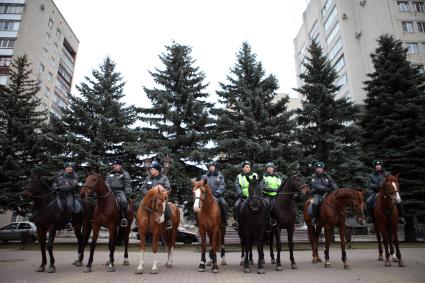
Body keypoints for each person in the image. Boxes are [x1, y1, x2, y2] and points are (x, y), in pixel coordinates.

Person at [366, 159, 404, 224]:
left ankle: (401, 217)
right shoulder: (371, 175)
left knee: (398, 200)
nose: (378, 166)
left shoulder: (387, 173)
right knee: (368, 201)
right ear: (374, 166)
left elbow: (392, 181)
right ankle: (369, 217)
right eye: (376, 165)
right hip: (376, 192)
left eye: (379, 165)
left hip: (387, 191)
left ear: (381, 166)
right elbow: (369, 184)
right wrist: (377, 185)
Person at [141, 161, 173, 230]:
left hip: (160, 198)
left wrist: (163, 194)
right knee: (141, 204)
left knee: (166, 206)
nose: (150, 171)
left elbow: (168, 188)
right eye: (150, 169)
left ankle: (168, 221)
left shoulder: (164, 178)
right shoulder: (148, 178)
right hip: (149, 198)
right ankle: (139, 222)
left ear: (157, 170)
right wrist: (147, 194)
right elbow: (143, 188)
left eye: (152, 169)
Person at [52, 162, 80, 231]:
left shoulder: (74, 175)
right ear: (65, 168)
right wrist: (55, 187)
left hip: (68, 194)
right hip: (59, 194)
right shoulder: (60, 174)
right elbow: (55, 183)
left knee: (69, 205)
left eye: (70, 167)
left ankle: (69, 223)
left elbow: (71, 185)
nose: (69, 168)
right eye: (68, 167)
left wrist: (59, 187)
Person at [105, 160, 131, 228]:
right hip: (110, 191)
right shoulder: (110, 173)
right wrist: (108, 188)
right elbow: (107, 182)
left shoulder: (125, 173)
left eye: (116, 165)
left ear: (120, 166)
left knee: (123, 201)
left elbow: (128, 185)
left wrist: (127, 194)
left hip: (120, 191)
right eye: (114, 165)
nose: (115, 166)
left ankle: (123, 218)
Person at [233, 161, 258, 230]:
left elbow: (257, 185)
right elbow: (237, 186)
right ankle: (237, 222)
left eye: (249, 167)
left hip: (254, 196)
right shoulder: (239, 176)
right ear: (242, 168)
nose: (248, 168)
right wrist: (240, 193)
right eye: (246, 167)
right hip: (243, 196)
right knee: (236, 205)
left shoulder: (254, 175)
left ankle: (265, 221)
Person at [201, 161, 228, 225]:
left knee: (224, 204)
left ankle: (224, 220)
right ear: (209, 168)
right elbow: (202, 186)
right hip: (207, 197)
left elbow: (222, 185)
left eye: (213, 166)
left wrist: (217, 193)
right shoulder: (204, 177)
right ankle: (197, 221)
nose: (212, 168)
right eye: (211, 166)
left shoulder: (220, 176)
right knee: (197, 205)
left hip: (218, 196)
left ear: (215, 167)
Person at [260, 162, 284, 231]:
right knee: (266, 205)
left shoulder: (278, 177)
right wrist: (272, 190)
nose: (270, 169)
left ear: (273, 168)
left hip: (277, 196)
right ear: (266, 169)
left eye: (271, 167)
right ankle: (268, 220)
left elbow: (281, 185)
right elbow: (262, 186)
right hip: (268, 196)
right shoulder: (264, 177)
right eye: (268, 167)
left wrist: (279, 190)